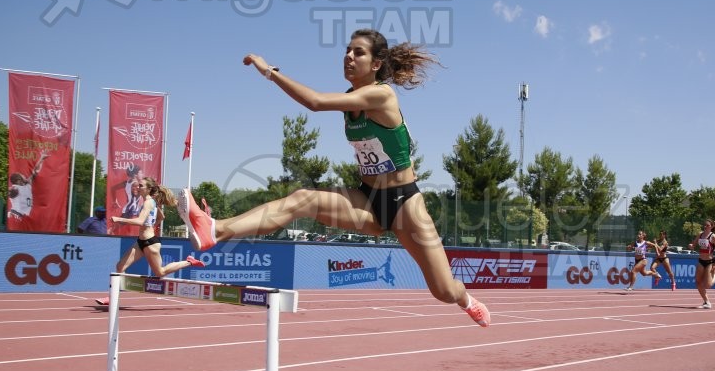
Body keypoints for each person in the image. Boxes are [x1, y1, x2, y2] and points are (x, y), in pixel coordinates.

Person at [177, 29, 490, 327]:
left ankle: (466, 299)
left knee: (443, 291)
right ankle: (214, 230)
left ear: (376, 64)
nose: (349, 57)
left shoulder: (382, 96)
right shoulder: (350, 99)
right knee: (302, 199)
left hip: (404, 202)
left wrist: (269, 72)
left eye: (358, 52)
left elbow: (314, 102)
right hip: (367, 199)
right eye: (347, 51)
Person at [96, 177, 205, 305]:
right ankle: (112, 297)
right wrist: (152, 225)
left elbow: (140, 221)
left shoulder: (148, 202)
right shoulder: (150, 202)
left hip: (150, 243)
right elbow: (161, 217)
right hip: (140, 242)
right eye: (137, 185)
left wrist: (120, 220)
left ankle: (189, 262)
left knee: (160, 272)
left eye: (141, 186)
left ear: (148, 189)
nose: (137, 187)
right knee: (120, 266)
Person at [689, 219, 715, 309]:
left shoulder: (713, 237)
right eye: (704, 225)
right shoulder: (700, 234)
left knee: (708, 285)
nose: (705, 226)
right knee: (698, 282)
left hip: (709, 262)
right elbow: (693, 245)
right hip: (701, 261)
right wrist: (691, 246)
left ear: (711, 227)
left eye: (707, 225)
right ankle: (707, 302)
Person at [8, 151, 49, 223]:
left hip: (23, 216)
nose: (24, 176)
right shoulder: (15, 188)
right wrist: (10, 191)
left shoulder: (27, 185)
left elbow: (35, 171)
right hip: (15, 215)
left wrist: (41, 158)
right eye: (22, 176)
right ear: (18, 180)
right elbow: (11, 192)